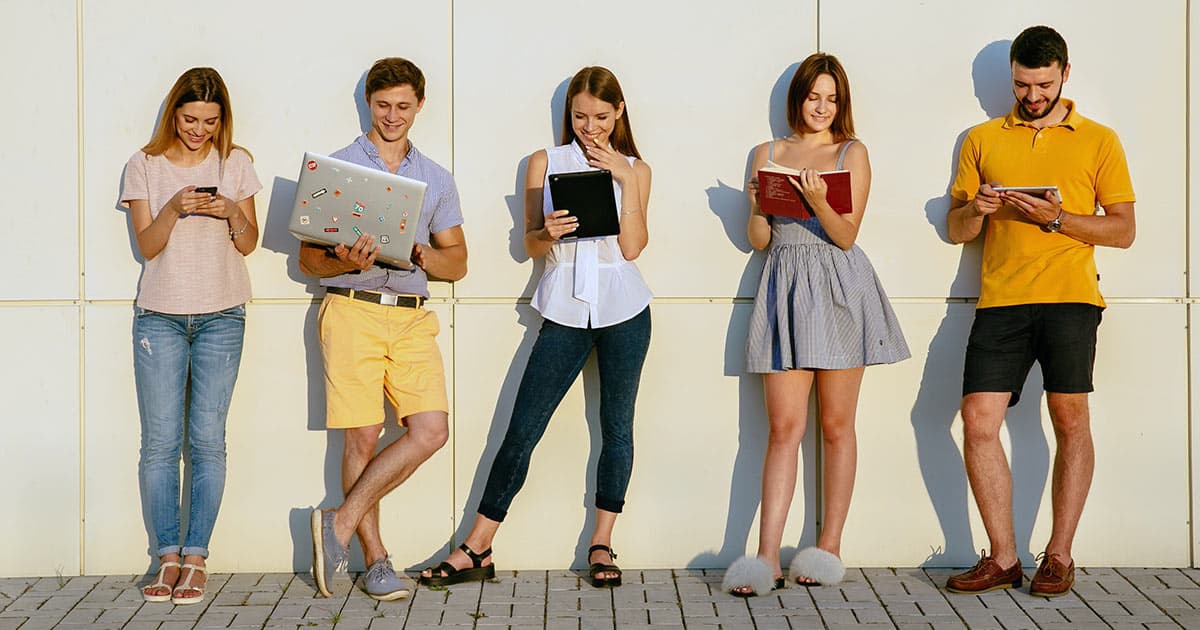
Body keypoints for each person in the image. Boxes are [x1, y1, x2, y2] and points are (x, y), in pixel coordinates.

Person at [418, 66, 652, 589]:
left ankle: (602, 543)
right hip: (564, 310)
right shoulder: (545, 162)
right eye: (580, 116)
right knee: (523, 427)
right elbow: (529, 244)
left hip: (625, 310)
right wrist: (545, 232)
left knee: (617, 430)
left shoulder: (637, 168)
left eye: (601, 117)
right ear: (568, 116)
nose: (590, 127)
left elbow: (633, 248)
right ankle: (476, 547)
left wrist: (625, 178)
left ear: (618, 115)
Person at [943, 25, 1135, 598]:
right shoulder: (980, 138)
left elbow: (1123, 230)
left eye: (1043, 84)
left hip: (1071, 297)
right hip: (1001, 298)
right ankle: (1002, 558)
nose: (1031, 96)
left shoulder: (1099, 139)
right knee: (978, 422)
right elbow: (956, 231)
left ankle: (1059, 556)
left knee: (1070, 418)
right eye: (1022, 85)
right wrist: (976, 209)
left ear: (1065, 75)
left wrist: (1057, 219)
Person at [723, 53, 909, 597]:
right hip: (783, 281)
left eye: (831, 98)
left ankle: (829, 545)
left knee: (836, 425)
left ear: (841, 102)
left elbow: (846, 235)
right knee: (783, 428)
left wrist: (819, 200)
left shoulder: (852, 152)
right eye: (813, 97)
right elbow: (760, 240)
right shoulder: (767, 152)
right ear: (798, 99)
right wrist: (758, 205)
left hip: (838, 286)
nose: (822, 107)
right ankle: (765, 556)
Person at [305, 57, 467, 602]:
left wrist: (422, 253)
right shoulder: (339, 168)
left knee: (431, 431)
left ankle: (339, 521)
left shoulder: (436, 179)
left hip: (411, 315)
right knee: (363, 436)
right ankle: (376, 561)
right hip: (352, 307)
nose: (393, 116)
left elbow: (458, 263)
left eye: (403, 106)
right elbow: (309, 259)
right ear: (368, 105)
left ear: (420, 105)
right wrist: (346, 261)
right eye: (383, 106)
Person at [121, 67, 261, 605]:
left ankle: (197, 556)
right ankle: (167, 555)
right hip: (159, 314)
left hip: (223, 314)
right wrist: (175, 208)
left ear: (222, 118)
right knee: (160, 443)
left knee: (207, 440)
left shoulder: (237, 163)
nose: (198, 130)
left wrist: (229, 211)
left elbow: (247, 245)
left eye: (209, 120)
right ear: (172, 114)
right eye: (188, 119)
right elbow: (148, 247)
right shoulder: (144, 164)